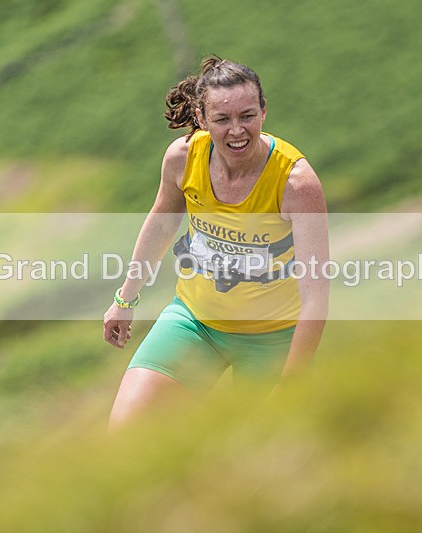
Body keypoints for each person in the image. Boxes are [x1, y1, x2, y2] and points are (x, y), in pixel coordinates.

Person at [103, 56, 329, 430]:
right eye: (222, 119)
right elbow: (161, 224)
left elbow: (316, 298)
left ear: (264, 111)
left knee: (259, 452)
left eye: (247, 116)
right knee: (125, 435)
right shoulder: (183, 157)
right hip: (195, 323)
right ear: (202, 118)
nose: (237, 131)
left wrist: (291, 382)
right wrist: (125, 299)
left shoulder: (297, 183)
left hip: (273, 338)